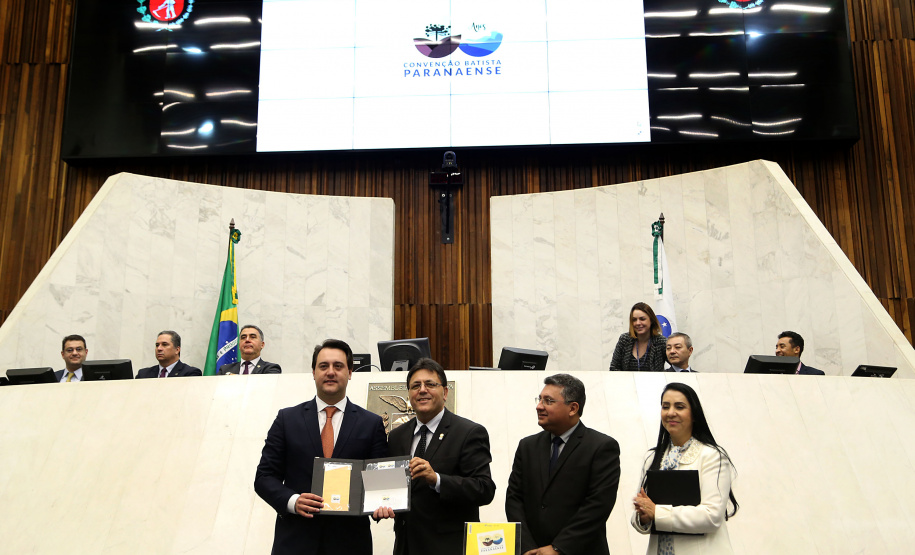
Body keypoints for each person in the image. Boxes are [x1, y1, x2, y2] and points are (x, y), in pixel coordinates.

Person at [254, 339, 388, 555]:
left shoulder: (371, 424)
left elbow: (378, 483)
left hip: (350, 544)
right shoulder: (287, 419)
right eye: (323, 366)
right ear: (314, 372)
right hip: (295, 542)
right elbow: (264, 478)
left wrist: (382, 504)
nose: (331, 372)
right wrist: (293, 501)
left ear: (350, 372)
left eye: (338, 366)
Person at [373, 358, 496, 555]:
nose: (422, 390)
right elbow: (391, 488)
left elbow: (484, 489)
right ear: (409, 395)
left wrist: (437, 479)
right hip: (406, 546)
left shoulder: (469, 433)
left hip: (449, 547)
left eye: (430, 384)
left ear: (445, 392)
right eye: (415, 386)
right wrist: (379, 505)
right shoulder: (396, 436)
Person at [505, 374, 621, 555]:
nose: (539, 406)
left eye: (548, 401)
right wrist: (528, 547)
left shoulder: (601, 447)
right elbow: (514, 499)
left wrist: (558, 548)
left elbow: (597, 506)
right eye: (540, 399)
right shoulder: (527, 446)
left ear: (573, 408)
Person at [632, 382, 739, 554]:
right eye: (665, 407)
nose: (671, 413)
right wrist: (644, 516)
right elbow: (644, 513)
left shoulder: (712, 456)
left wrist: (657, 512)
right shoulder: (652, 457)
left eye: (679, 407)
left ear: (694, 414)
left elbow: (712, 516)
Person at [610, 302, 667, 371]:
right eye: (634, 320)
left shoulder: (660, 342)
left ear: (651, 320)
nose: (638, 323)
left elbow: (677, 365)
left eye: (642, 319)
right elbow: (614, 368)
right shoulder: (624, 339)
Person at [217, 325, 282, 375]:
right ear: (239, 345)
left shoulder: (271, 368)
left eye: (253, 337)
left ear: (262, 345)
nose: (247, 340)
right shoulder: (225, 370)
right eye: (243, 337)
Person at [135, 331, 202, 378]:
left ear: (177, 350)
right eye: (157, 345)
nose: (159, 348)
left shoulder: (190, 373)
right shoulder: (143, 374)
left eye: (164, 345)